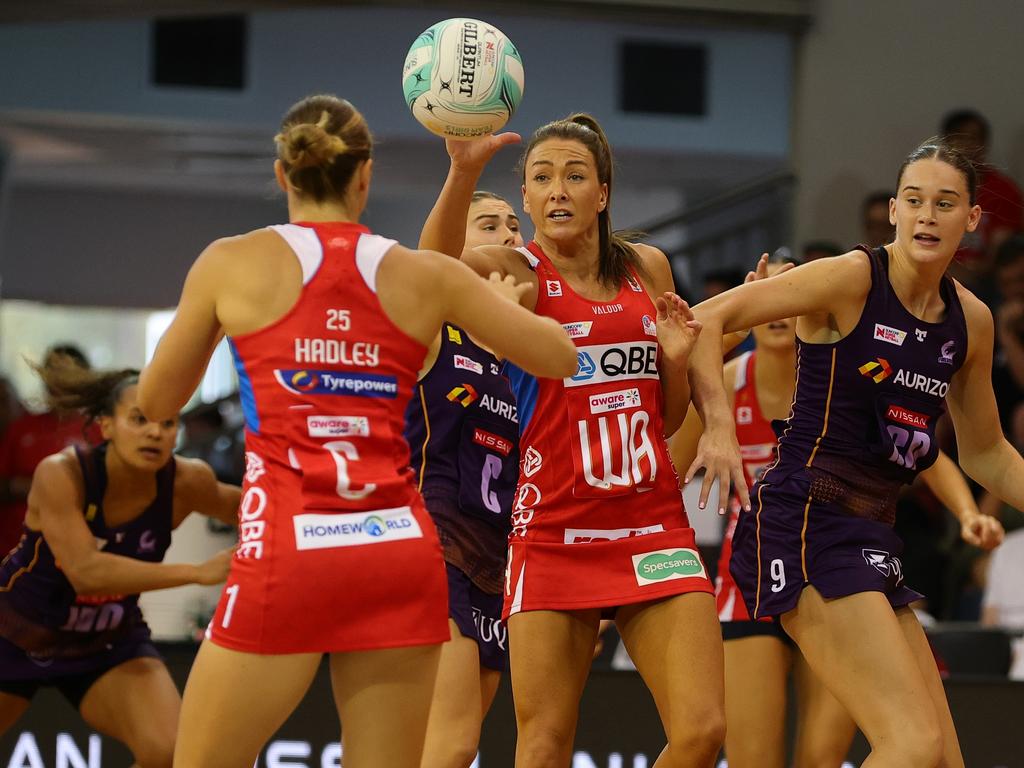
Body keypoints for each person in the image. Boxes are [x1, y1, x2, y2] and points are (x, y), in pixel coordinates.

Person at [136, 94, 577, 768]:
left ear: (284, 175)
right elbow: (559, 355)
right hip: (397, 551)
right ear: (364, 177)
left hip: (289, 546)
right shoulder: (422, 274)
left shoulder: (232, 262)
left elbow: (157, 399)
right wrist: (496, 301)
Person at [686, 138, 1013, 766]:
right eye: (914, 201)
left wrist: (974, 507)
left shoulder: (971, 319)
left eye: (944, 204)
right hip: (806, 519)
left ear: (972, 220)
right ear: (892, 210)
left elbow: (987, 452)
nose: (926, 216)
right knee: (910, 745)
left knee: (942, 758)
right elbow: (705, 320)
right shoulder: (854, 275)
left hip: (872, 534)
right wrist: (719, 427)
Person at [426, 113, 725, 767]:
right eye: (541, 177)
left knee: (702, 733)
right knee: (543, 744)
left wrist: (674, 362)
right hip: (555, 531)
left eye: (574, 175)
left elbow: (668, 419)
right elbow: (431, 268)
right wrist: (463, 170)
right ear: (527, 199)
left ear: (603, 193)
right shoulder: (517, 271)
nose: (557, 189)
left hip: (652, 527)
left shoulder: (648, 268)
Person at [0, 365, 238, 767]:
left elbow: (263, 512)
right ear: (106, 426)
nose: (155, 432)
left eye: (168, 423)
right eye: (139, 419)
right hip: (15, 632)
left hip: (107, 639)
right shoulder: (62, 473)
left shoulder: (186, 482)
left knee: (171, 753)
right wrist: (197, 572)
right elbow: (86, 573)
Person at [409, 134, 524, 768]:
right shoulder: (433, 325)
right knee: (451, 746)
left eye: (514, 225)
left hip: (494, 562)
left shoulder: (522, 350)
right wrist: (462, 173)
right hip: (434, 546)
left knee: (441, 747)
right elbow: (431, 260)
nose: (508, 234)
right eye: (489, 223)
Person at [0, 345, 97, 554]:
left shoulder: (99, 431)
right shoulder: (21, 428)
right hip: (13, 549)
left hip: (73, 551)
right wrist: (22, 487)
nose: (59, 381)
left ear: (85, 379)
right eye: (53, 372)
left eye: (68, 374)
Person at [941, 109, 1023, 275]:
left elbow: (1008, 247)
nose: (968, 145)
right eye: (960, 138)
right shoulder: (932, 187)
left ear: (984, 143)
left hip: (988, 279)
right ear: (947, 143)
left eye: (974, 138)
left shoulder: (1004, 190)